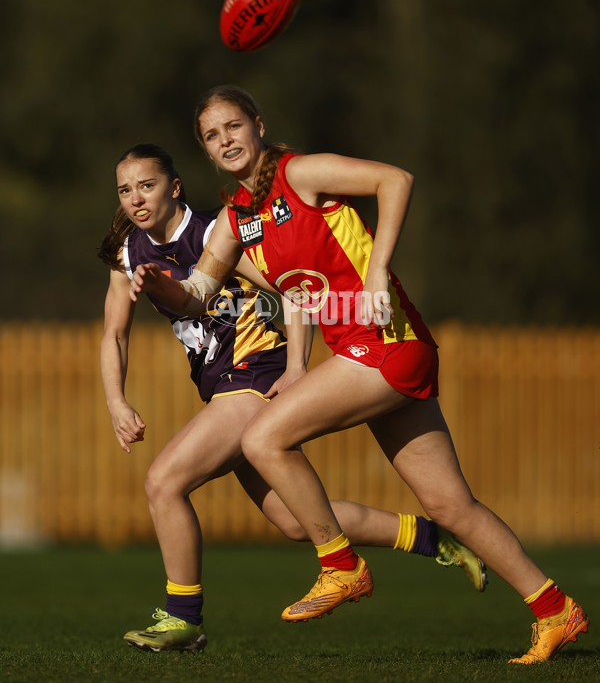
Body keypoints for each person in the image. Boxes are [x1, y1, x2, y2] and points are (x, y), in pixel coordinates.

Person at [128, 89, 589, 665]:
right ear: (205, 149)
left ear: (259, 126)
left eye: (233, 125)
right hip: (371, 347)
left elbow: (396, 180)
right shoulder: (234, 219)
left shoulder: (301, 172)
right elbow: (204, 294)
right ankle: (555, 610)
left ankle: (340, 565)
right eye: (212, 134)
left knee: (263, 437)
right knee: (451, 508)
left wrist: (376, 273)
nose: (225, 139)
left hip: (389, 340)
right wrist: (161, 285)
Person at [100, 142, 486, 654]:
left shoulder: (220, 231)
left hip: (255, 374)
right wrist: (116, 402)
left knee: (164, 482)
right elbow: (115, 335)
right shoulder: (128, 249)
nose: (135, 198)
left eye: (146, 185)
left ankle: (182, 617)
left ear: (174, 187)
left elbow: (292, 289)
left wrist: (296, 366)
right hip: (219, 384)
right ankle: (433, 538)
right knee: (292, 519)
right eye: (125, 189)